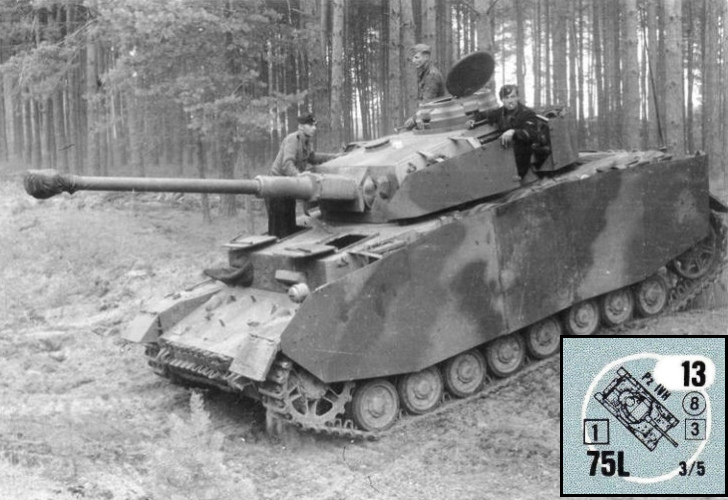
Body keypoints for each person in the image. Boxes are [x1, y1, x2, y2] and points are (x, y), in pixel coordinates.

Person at [266, 112, 338, 238]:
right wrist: (299, 176)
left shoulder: (306, 142)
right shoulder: (293, 139)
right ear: (301, 126)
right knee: (278, 231)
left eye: (314, 125)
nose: (314, 128)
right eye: (310, 125)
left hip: (289, 187)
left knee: (289, 228)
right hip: (277, 188)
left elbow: (313, 158)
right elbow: (287, 164)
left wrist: (334, 157)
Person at [468, 84, 540, 181]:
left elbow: (532, 134)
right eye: (506, 98)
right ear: (502, 100)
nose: (510, 101)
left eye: (513, 97)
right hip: (504, 152)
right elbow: (484, 115)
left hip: (520, 158)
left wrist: (514, 132)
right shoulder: (500, 112)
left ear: (518, 98)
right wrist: (473, 119)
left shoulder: (527, 113)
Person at [404, 43, 445, 130]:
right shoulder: (425, 73)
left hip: (435, 122)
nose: (413, 61)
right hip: (430, 118)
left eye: (416, 57)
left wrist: (413, 120)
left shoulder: (431, 75)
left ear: (426, 57)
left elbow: (427, 104)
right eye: (413, 58)